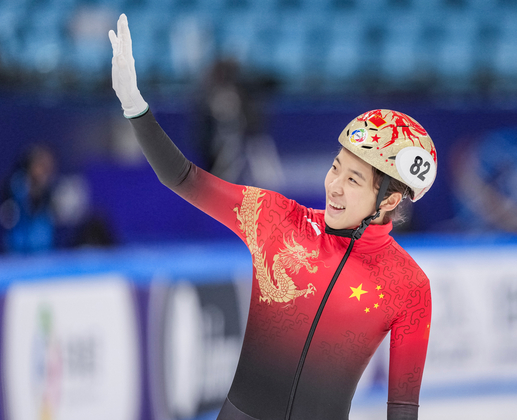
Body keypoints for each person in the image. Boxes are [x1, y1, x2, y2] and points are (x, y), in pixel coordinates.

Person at [109, 14, 436, 420]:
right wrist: (135, 108)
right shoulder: (275, 219)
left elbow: (402, 409)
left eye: (354, 179)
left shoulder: (408, 286)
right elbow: (184, 178)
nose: (333, 185)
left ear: (389, 201)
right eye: (335, 167)